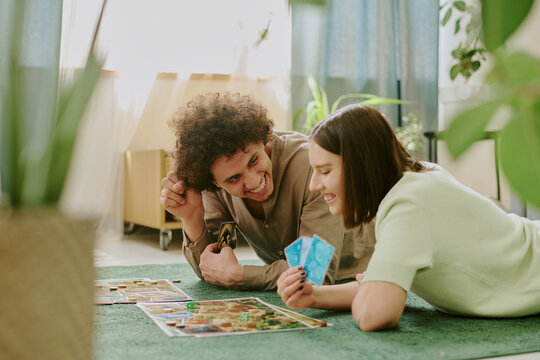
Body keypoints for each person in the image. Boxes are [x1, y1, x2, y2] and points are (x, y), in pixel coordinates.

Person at [277, 104, 540, 331]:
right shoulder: (414, 180)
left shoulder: (408, 206)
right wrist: (315, 296)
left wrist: (373, 286)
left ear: (361, 167)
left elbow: (374, 312)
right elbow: (381, 282)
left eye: (324, 171)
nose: (313, 185)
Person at [160, 92, 375, 291]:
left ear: (262, 141)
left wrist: (242, 276)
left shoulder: (313, 169)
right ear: (214, 183)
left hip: (362, 277)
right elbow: (212, 269)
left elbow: (315, 272)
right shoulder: (214, 184)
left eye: (253, 160)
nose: (254, 182)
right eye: (234, 178)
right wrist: (192, 217)